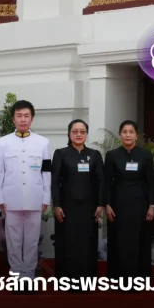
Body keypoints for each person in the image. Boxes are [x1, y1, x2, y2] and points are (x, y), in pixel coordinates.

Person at [0, 100, 51, 291]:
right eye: (19, 116)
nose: (23, 119)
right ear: (13, 119)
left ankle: (28, 276)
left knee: (32, 240)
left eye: (26, 116)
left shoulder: (42, 142)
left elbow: (46, 172)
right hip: (11, 198)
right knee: (14, 240)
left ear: (32, 119)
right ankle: (16, 275)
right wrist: (0, 198)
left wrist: (46, 197)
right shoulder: (3, 143)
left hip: (35, 198)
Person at [51, 119, 104, 288]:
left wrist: (100, 204)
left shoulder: (95, 155)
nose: (79, 134)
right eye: (75, 131)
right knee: (68, 243)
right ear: (69, 134)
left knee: (87, 243)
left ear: (86, 134)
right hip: (66, 207)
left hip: (89, 208)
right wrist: (56, 205)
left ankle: (86, 281)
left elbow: (101, 181)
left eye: (82, 131)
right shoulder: (61, 153)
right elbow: (54, 182)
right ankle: (66, 280)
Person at [104, 120, 154, 282]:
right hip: (118, 204)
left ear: (136, 135)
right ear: (120, 135)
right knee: (120, 240)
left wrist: (152, 205)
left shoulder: (145, 154)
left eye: (131, 132)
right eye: (124, 132)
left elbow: (151, 182)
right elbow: (106, 182)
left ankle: (139, 277)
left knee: (139, 240)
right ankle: (118, 278)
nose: (128, 135)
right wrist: (107, 204)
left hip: (140, 204)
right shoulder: (112, 155)